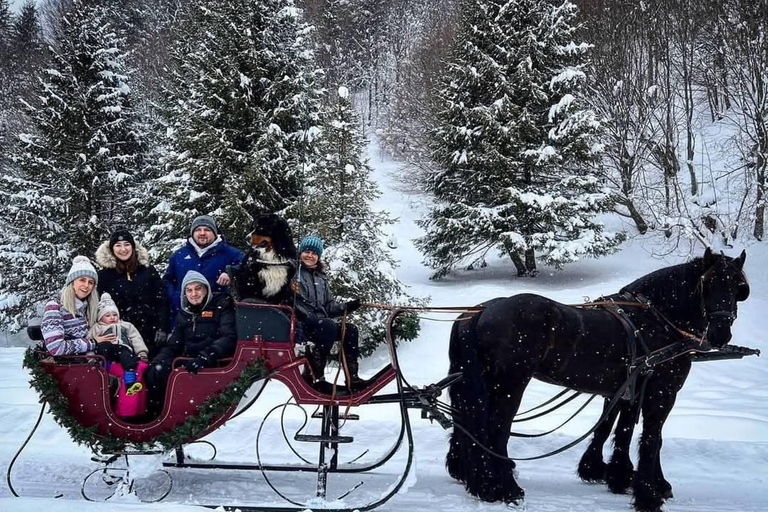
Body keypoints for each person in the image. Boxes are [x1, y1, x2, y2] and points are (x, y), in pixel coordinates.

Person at [146, 270, 237, 415]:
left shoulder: (221, 305)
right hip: (188, 360)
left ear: (206, 289)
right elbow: (174, 345)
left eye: (198, 288)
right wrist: (157, 362)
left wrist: (205, 356)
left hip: (212, 361)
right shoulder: (185, 313)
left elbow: (228, 337)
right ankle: (157, 416)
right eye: (189, 290)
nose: (193, 294)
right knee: (157, 372)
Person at [293, 235, 362, 385]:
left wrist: (346, 307)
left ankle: (352, 377)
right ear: (300, 252)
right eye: (307, 252)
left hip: (322, 324)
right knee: (328, 325)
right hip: (302, 323)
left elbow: (329, 305)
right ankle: (315, 372)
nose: (310, 256)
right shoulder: (293, 272)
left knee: (349, 329)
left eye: (314, 253)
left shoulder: (321, 278)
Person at [95, 229, 169, 358]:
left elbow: (162, 300)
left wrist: (162, 327)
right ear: (112, 249)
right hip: (120, 334)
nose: (123, 249)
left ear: (133, 247)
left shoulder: (148, 271)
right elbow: (99, 307)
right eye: (118, 245)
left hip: (150, 331)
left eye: (127, 244)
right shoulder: (104, 275)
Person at [163, 215, 243, 323]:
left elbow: (246, 268)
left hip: (217, 319)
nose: (202, 233)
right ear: (192, 233)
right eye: (198, 230)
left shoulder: (231, 254)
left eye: (207, 229)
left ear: (215, 233)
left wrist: (231, 272)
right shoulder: (179, 255)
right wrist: (175, 297)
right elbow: (168, 280)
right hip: (183, 318)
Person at [88, 293, 149, 395]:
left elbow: (136, 338)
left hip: (122, 349)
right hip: (106, 350)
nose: (112, 317)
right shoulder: (97, 327)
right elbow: (89, 341)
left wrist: (142, 352)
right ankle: (105, 370)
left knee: (128, 356)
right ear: (100, 317)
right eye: (107, 315)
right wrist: (91, 357)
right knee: (104, 346)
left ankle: (130, 381)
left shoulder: (126, 325)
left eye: (114, 314)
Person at [41, 256, 102, 356]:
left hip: (89, 362)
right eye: (82, 280)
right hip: (67, 367)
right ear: (72, 282)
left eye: (91, 282)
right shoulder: (55, 306)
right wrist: (93, 343)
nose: (86, 285)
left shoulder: (89, 307)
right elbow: (56, 348)